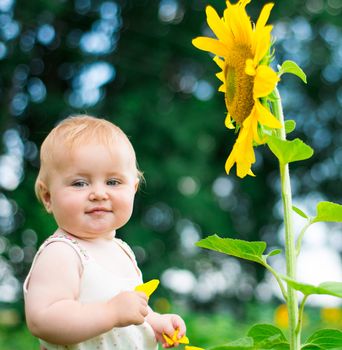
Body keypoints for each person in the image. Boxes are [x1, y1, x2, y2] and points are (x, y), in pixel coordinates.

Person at [24, 115, 186, 350]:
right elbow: (43, 320)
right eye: (79, 183)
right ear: (48, 196)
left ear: (133, 188)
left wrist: (154, 321)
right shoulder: (62, 253)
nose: (99, 193)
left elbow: (129, 309)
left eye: (112, 182)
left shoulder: (122, 251)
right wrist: (111, 312)